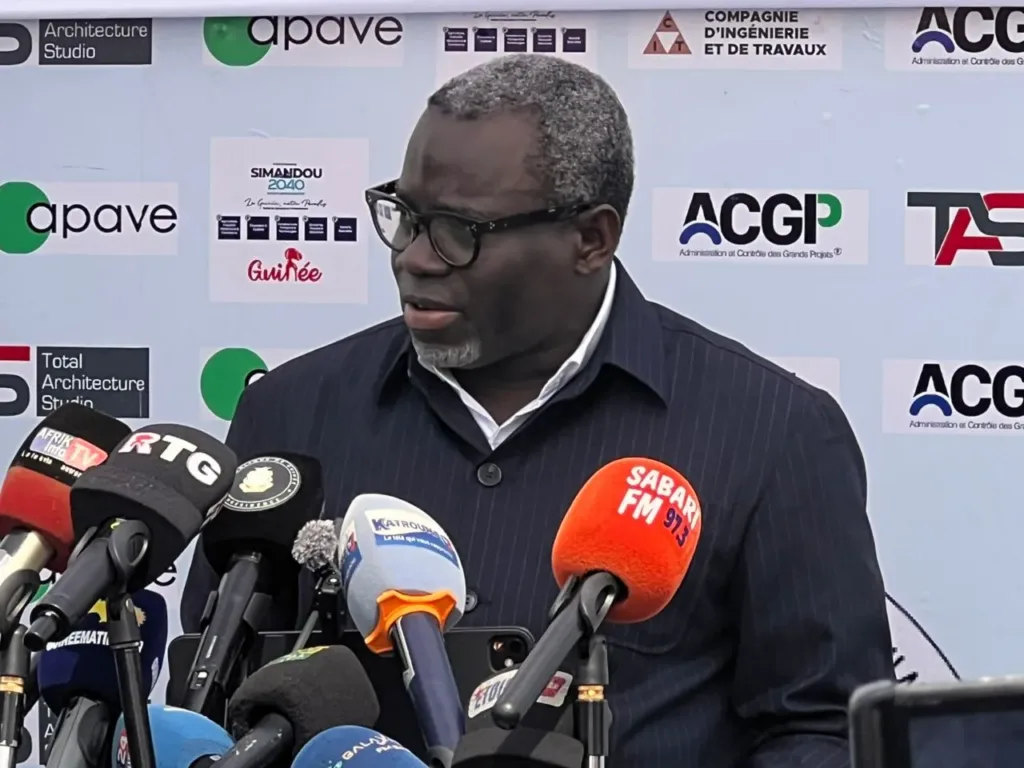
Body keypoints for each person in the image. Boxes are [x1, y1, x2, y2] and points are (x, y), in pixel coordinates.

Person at [183, 54, 894, 765]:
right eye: (406, 216)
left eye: (458, 229)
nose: (414, 257)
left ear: (591, 239)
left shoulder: (772, 432)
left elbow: (824, 730)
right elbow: (213, 700)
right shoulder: (290, 412)